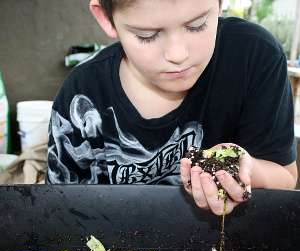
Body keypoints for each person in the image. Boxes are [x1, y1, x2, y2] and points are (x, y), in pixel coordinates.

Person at [45, 0, 298, 215]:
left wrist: (249, 169)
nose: (177, 55)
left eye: (197, 25)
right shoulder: (82, 95)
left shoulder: (255, 57)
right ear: (106, 19)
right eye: (147, 35)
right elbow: (60, 209)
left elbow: (286, 178)